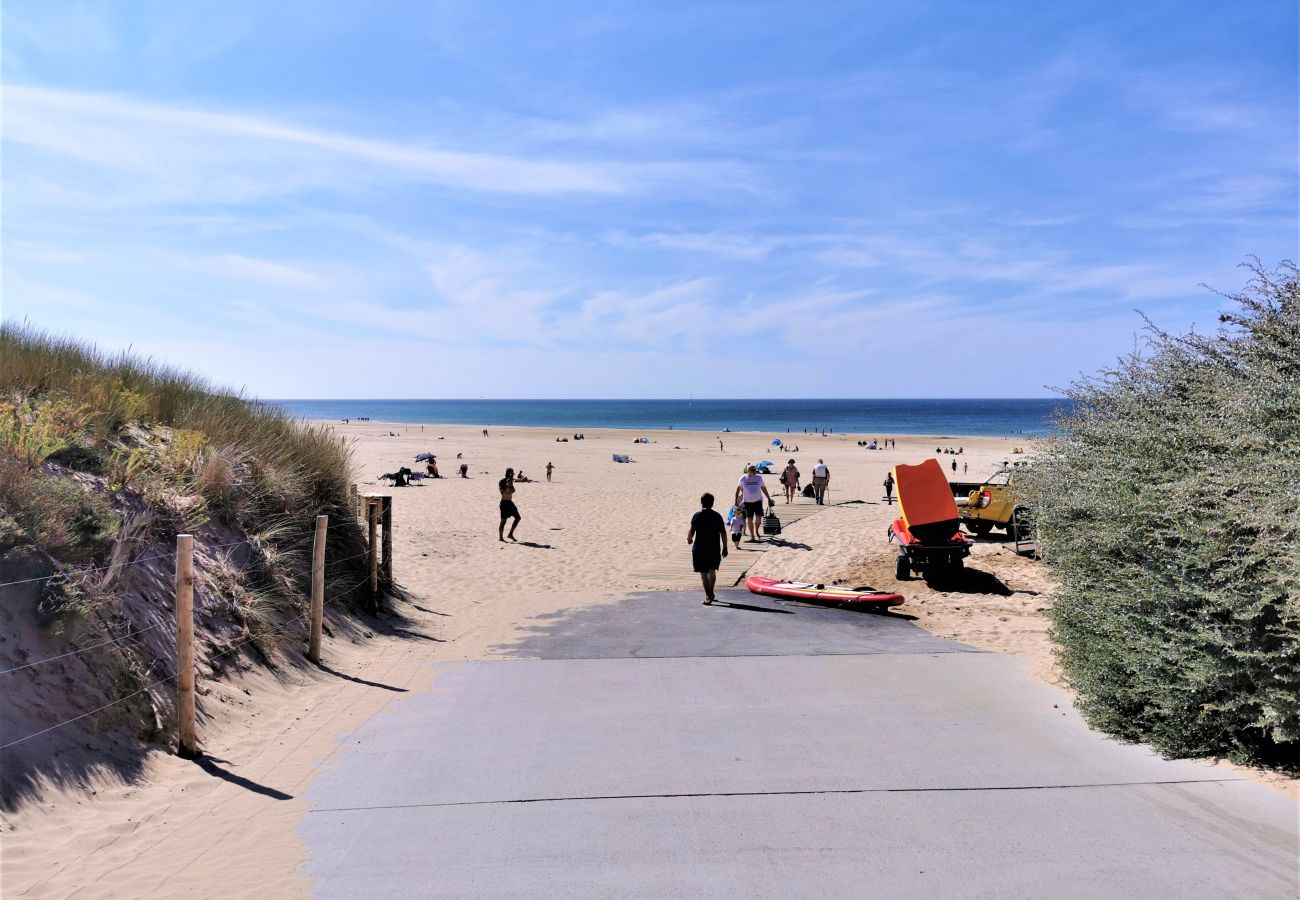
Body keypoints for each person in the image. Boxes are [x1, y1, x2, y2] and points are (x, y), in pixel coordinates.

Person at [688, 493, 728, 605]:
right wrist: (725, 547)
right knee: (712, 571)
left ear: (701, 502)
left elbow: (691, 531)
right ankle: (710, 593)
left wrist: (689, 539)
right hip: (714, 548)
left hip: (699, 548)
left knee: (704, 573)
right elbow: (723, 533)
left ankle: (708, 595)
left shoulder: (697, 515)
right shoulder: (717, 516)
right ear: (712, 503)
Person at [734, 464, 773, 542]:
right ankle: (752, 536)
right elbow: (738, 490)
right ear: (748, 471)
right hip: (747, 502)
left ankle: (757, 530)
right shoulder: (743, 478)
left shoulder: (759, 477)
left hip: (758, 501)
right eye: (753, 470)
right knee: (750, 519)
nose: (755, 472)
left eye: (755, 470)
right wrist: (736, 501)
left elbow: (763, 488)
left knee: (759, 518)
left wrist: (768, 498)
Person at [498, 468, 520, 541]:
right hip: (504, 503)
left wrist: (510, 485)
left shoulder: (510, 481)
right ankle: (501, 537)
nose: (511, 475)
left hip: (510, 502)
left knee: (518, 518)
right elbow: (502, 492)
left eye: (512, 473)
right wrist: (507, 485)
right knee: (503, 521)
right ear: (507, 473)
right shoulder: (502, 481)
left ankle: (510, 534)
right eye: (510, 473)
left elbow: (513, 491)